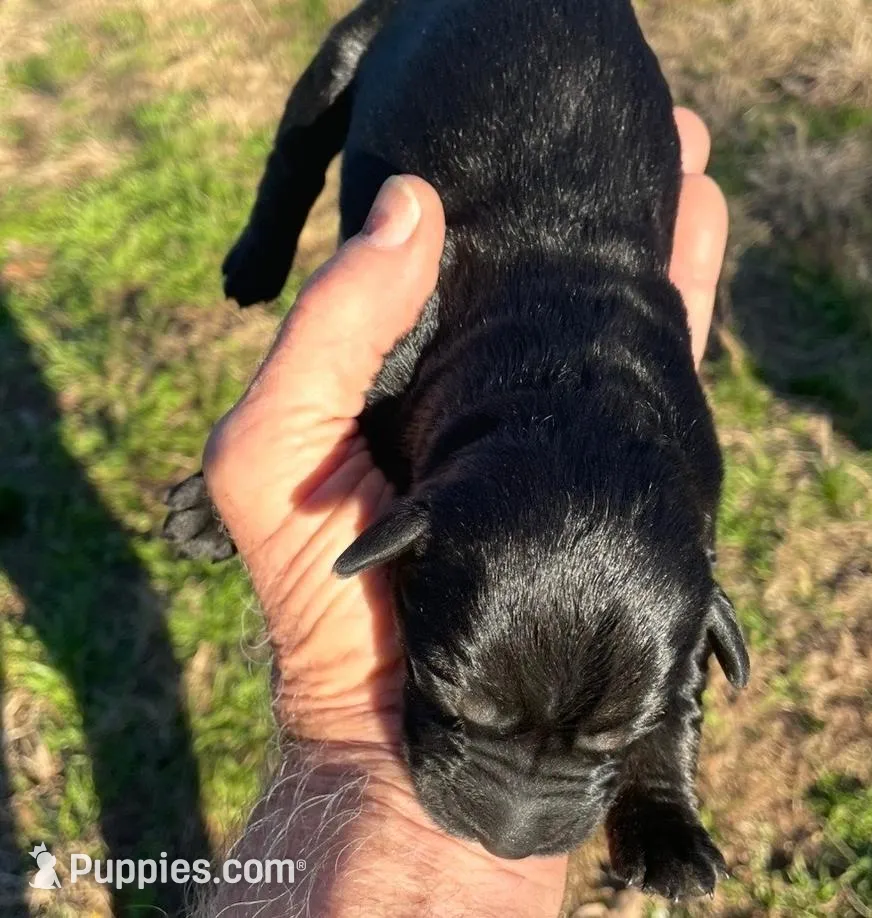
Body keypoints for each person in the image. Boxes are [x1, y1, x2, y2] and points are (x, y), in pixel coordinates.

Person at [198, 109, 728, 918]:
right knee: (329, 97)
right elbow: (371, 405)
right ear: (414, 526)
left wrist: (657, 792)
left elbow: (671, 661)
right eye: (465, 708)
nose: (514, 820)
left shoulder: (683, 525)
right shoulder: (430, 380)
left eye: (607, 740)